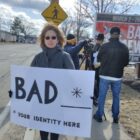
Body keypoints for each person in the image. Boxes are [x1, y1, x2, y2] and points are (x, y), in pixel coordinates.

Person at [31, 23, 75, 140]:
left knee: (55, 134)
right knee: (43, 133)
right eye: (47, 37)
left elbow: (73, 80)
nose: (50, 40)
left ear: (58, 39)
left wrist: (84, 96)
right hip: (41, 103)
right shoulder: (38, 58)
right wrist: (16, 92)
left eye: (53, 37)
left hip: (58, 103)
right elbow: (28, 79)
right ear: (43, 39)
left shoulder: (65, 57)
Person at [93, 27, 129, 123]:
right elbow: (126, 63)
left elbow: (99, 59)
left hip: (104, 75)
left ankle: (99, 115)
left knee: (102, 96)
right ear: (119, 35)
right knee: (116, 96)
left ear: (110, 34)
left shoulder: (105, 46)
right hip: (117, 76)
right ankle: (115, 117)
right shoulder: (124, 47)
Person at [91, 33, 104, 106]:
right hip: (94, 68)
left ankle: (96, 98)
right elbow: (92, 57)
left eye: (99, 40)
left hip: (100, 68)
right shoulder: (95, 46)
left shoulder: (102, 47)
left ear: (102, 40)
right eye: (97, 39)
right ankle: (95, 97)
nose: (98, 41)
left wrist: (100, 63)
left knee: (98, 84)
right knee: (95, 83)